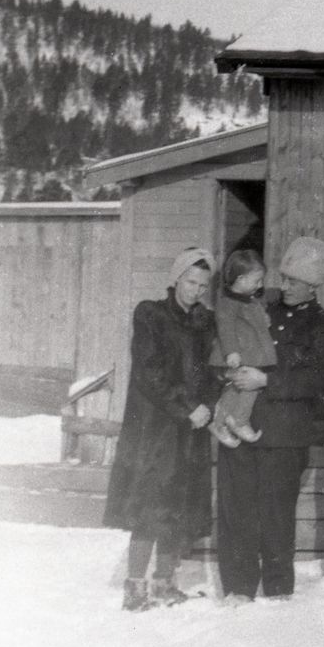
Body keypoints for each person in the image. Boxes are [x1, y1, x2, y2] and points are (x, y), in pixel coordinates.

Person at [217, 238, 324, 601]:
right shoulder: (261, 311)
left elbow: (318, 378)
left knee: (275, 517)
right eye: (283, 278)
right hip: (240, 426)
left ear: (312, 285)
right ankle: (237, 590)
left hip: (284, 436)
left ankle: (276, 593)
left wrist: (267, 379)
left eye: (291, 281)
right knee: (235, 511)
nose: (282, 285)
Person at [102, 246, 218, 611]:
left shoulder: (205, 323)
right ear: (176, 278)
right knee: (150, 506)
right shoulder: (150, 315)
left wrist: (207, 408)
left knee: (179, 506)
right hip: (155, 429)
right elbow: (150, 373)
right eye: (190, 281)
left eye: (202, 285)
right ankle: (135, 588)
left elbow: (212, 373)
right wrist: (189, 408)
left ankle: (164, 583)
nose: (195, 290)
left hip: (192, 428)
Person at [208, 248, 277, 446]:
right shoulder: (227, 303)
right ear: (240, 279)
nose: (260, 285)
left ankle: (224, 421)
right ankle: (237, 420)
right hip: (239, 354)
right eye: (257, 280)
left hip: (252, 353)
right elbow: (225, 327)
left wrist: (264, 318)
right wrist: (231, 352)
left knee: (241, 387)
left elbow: (256, 317)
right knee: (245, 387)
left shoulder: (251, 300)